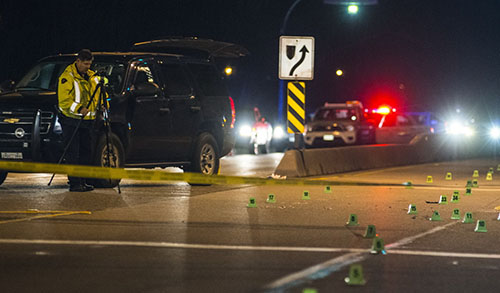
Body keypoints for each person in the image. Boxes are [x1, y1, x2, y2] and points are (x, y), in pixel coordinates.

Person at [58, 49, 103, 192]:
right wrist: (79, 109)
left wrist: (103, 105)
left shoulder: (93, 77)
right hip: (71, 121)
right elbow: (64, 101)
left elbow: (100, 94)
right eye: (85, 64)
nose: (87, 67)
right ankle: (75, 183)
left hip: (88, 121)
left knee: (86, 152)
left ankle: (83, 181)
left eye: (89, 64)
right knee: (73, 153)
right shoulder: (67, 77)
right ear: (78, 61)